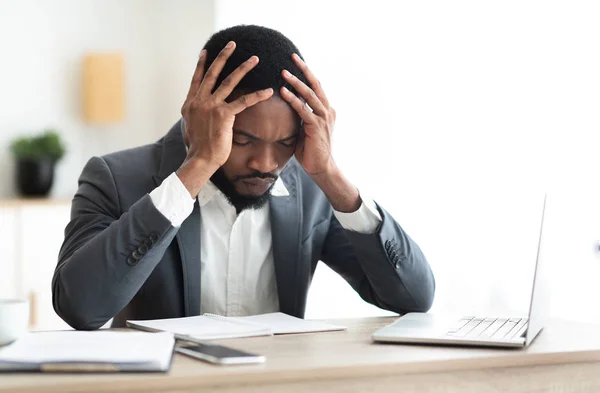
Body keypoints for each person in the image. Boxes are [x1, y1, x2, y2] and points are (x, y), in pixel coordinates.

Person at [52, 25, 435, 330]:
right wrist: (197, 166)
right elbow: (80, 308)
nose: (266, 163)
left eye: (285, 142)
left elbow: (412, 299)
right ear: (198, 117)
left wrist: (330, 174)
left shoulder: (311, 190)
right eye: (242, 140)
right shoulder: (114, 178)